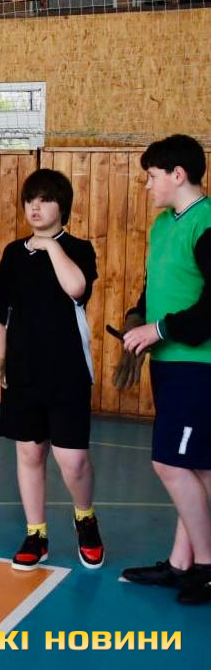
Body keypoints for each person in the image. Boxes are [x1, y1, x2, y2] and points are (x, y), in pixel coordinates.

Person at [0, 169, 103, 571]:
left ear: (62, 206)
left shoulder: (79, 249)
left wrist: (51, 245)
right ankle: (36, 533)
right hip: (23, 370)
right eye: (29, 200)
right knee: (30, 452)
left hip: (68, 370)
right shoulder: (13, 253)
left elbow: (76, 288)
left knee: (73, 461)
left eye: (44, 200)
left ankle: (85, 518)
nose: (34, 208)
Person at [118, 134, 211, 606]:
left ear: (178, 174)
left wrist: (159, 329)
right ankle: (180, 564)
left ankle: (207, 567)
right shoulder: (161, 224)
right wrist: (138, 318)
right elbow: (156, 285)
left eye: (152, 177)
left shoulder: (207, 222)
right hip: (170, 363)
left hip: (200, 365)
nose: (147, 185)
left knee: (171, 464)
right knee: (195, 466)